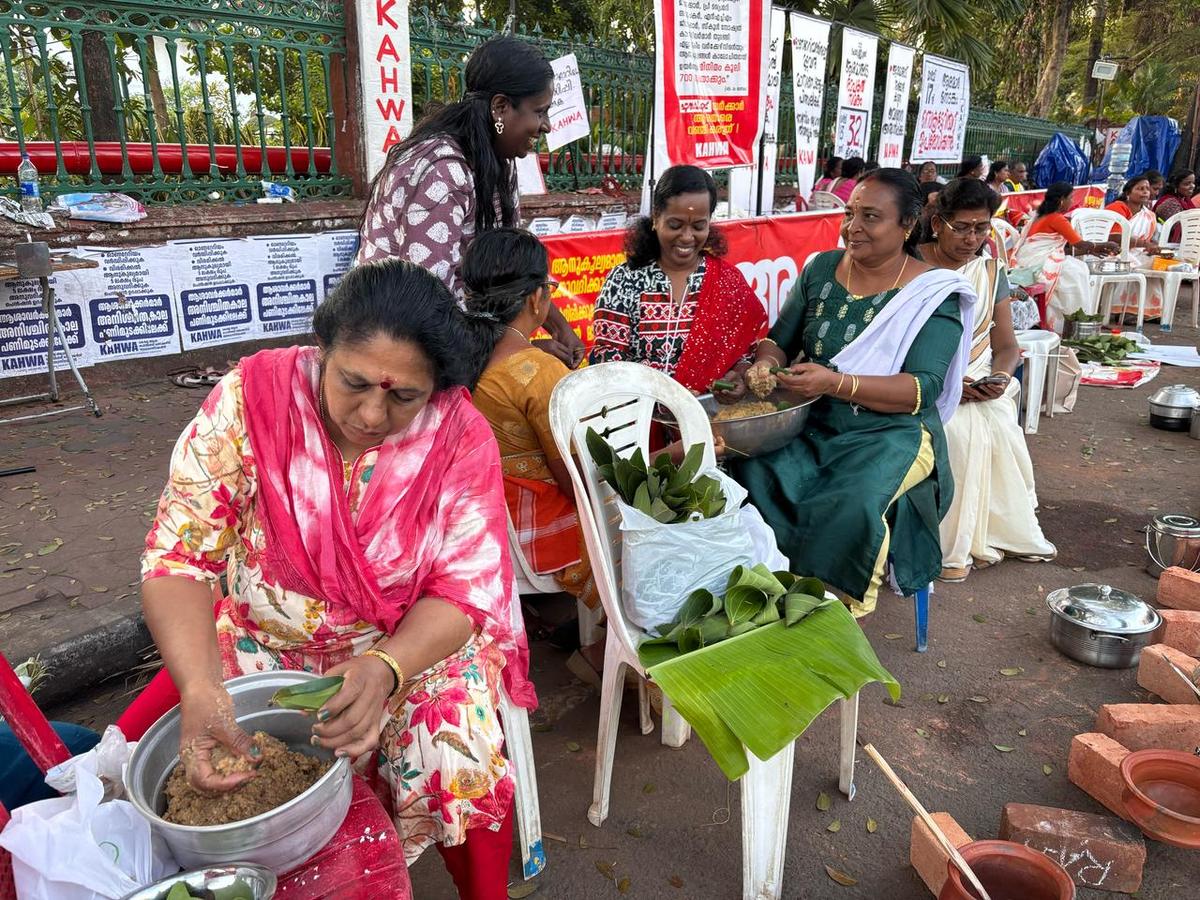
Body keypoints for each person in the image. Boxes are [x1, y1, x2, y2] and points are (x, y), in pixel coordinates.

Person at [128, 261, 533, 899]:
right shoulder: (251, 400)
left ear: (437, 389)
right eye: (354, 383)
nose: (372, 415)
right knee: (174, 770)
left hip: (408, 647)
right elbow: (180, 557)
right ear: (324, 348)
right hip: (265, 643)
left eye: (404, 397)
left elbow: (465, 591)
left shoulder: (459, 435)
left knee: (462, 761)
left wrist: (385, 669)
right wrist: (202, 688)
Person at [725, 169, 975, 617]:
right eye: (849, 213)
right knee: (753, 473)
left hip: (892, 431)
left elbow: (921, 389)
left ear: (908, 225)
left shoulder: (932, 294)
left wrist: (834, 382)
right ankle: (768, 595)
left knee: (852, 503)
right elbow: (779, 339)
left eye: (871, 217)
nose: (852, 227)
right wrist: (765, 364)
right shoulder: (822, 268)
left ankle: (832, 616)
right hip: (814, 419)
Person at [356, 35, 584, 369]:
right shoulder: (440, 170)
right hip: (392, 349)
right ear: (501, 107)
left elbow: (510, 267)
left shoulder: (499, 163)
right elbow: (428, 307)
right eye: (540, 112)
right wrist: (520, 351)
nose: (547, 125)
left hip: (452, 342)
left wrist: (559, 326)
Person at [916, 178, 1056, 583]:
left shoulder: (991, 271)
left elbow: (1008, 346)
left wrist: (998, 377)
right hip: (922, 383)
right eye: (961, 227)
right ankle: (946, 547)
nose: (971, 238)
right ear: (938, 222)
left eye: (981, 228)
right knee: (960, 430)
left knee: (995, 417)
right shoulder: (910, 265)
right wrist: (947, 387)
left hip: (978, 382)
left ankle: (985, 533)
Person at [466, 228, 601, 639]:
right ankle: (607, 648)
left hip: (488, 514)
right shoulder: (537, 372)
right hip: (537, 528)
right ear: (536, 298)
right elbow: (576, 481)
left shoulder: (459, 353)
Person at [589, 165, 767, 392]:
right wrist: (669, 397)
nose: (686, 237)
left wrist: (738, 377)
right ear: (655, 217)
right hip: (641, 419)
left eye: (698, 226)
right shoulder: (624, 281)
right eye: (675, 225)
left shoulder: (729, 282)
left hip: (707, 419)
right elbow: (608, 362)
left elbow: (744, 354)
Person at [1011, 182, 1117, 332]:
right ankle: (1073, 323)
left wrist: (1093, 250)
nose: (1072, 202)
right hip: (1039, 262)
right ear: (1061, 200)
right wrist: (1106, 245)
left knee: (1074, 268)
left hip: (1027, 260)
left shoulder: (1039, 217)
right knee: (1077, 271)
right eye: (1071, 198)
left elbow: (1065, 249)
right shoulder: (1057, 219)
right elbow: (1080, 244)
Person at [1105, 174, 1164, 321]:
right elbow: (1114, 237)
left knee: (1156, 263)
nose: (1145, 192)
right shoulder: (1117, 208)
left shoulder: (1149, 215)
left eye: (1147, 189)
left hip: (1137, 251)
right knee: (1134, 263)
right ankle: (1123, 311)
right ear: (1127, 193)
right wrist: (1144, 244)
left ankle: (1148, 311)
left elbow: (1149, 240)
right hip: (1113, 251)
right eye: (1140, 189)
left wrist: (1152, 248)